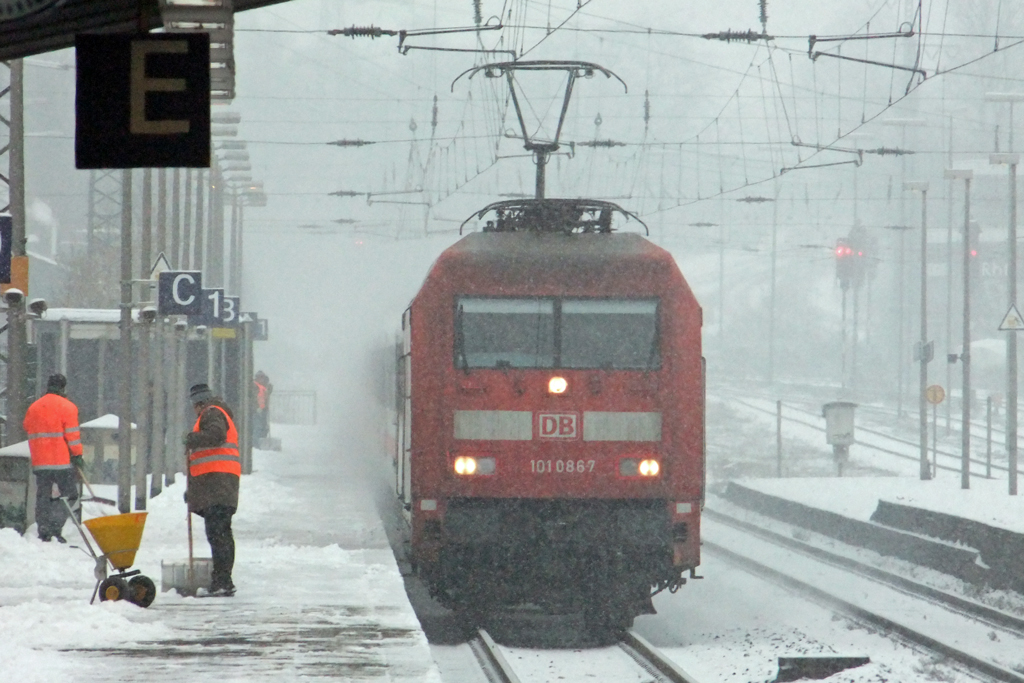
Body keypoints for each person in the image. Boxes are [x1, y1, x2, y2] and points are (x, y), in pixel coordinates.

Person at [184, 383, 240, 597]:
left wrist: (191, 439)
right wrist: (193, 491)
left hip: (218, 485)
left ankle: (222, 581)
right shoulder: (216, 411)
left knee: (218, 534)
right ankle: (223, 580)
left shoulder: (212, 412)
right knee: (221, 533)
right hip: (219, 484)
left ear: (198, 403)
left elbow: (217, 436)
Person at [24, 373, 83, 543]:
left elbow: (27, 426)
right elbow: (72, 435)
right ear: (63, 387)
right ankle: (56, 527)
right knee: (69, 495)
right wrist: (78, 455)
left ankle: (43, 528)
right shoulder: (68, 407)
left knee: (43, 495)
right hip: (61, 461)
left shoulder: (34, 407)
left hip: (40, 461)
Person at [252, 371, 272, 441]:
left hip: (263, 410)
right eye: (259, 377)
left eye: (262, 377)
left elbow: (266, 396)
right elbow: (253, 398)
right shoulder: (254, 386)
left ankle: (262, 440)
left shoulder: (264, 387)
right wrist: (256, 407)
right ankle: (256, 441)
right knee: (257, 426)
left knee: (264, 427)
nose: (261, 379)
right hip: (256, 410)